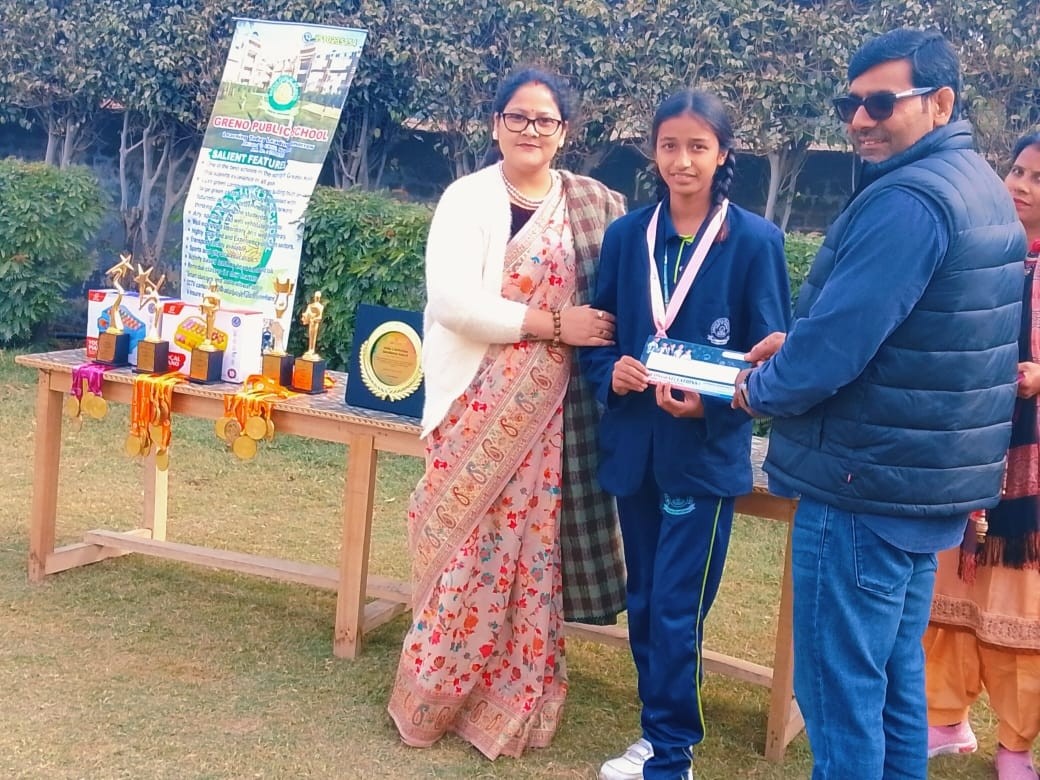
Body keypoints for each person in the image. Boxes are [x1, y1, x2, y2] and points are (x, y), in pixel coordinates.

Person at [731, 29, 1027, 779]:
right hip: (916, 485)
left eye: (881, 102)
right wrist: (797, 345)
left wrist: (759, 387)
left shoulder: (910, 199)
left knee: (840, 696)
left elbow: (839, 344)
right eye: (850, 104)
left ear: (941, 103)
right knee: (893, 683)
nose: (861, 119)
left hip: (862, 484)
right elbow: (917, 334)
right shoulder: (977, 185)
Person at [387, 67, 627, 759]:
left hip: (553, 417)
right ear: (496, 125)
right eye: (517, 117)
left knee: (529, 554)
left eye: (545, 120)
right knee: (461, 548)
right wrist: (553, 324)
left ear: (564, 132)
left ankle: (513, 699)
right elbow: (451, 303)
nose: (530, 130)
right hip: (471, 403)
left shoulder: (591, 204)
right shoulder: (468, 198)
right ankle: (432, 696)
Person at [579, 89, 791, 780]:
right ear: (654, 151)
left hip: (701, 458)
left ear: (723, 154)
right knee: (644, 603)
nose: (683, 160)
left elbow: (773, 362)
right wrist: (613, 375)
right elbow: (600, 338)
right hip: (635, 454)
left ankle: (671, 757)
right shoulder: (626, 237)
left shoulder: (755, 242)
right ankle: (656, 736)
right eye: (670, 145)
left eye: (698, 146)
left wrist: (711, 409)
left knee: (676, 608)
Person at [924, 132, 1040, 780]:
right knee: (948, 595)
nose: (1019, 185)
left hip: (1030, 476)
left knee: (1021, 610)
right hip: (965, 457)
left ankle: (1016, 746)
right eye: (1016, 170)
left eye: (1037, 178)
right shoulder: (980, 256)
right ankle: (946, 719)